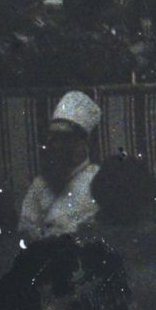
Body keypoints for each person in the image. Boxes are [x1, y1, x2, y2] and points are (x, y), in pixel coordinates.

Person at [17, 91, 104, 242]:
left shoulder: (101, 181)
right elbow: (26, 230)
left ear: (83, 143)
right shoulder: (40, 184)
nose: (56, 146)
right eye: (52, 138)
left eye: (64, 138)